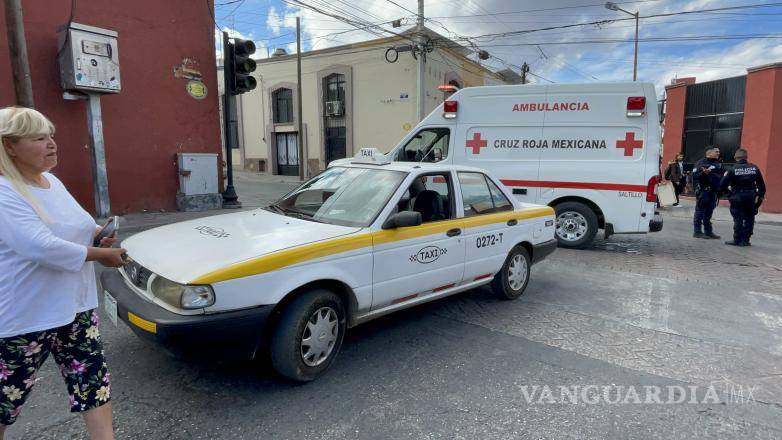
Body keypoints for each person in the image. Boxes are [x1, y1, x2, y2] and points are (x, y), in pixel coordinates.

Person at [0, 107, 127, 440]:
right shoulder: (4, 191)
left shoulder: (52, 182)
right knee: (5, 400)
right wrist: (102, 255)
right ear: (9, 146)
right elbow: (41, 247)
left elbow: (78, 225)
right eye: (38, 138)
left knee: (94, 386)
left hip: (76, 307)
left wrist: (99, 234)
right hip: (27, 316)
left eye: (50, 136)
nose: (51, 144)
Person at [719, 148, 766, 246]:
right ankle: (746, 240)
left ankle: (737, 239)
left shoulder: (732, 169)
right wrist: (759, 197)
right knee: (750, 217)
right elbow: (761, 185)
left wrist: (729, 194)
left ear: (735, 157)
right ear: (746, 157)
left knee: (738, 218)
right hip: (750, 196)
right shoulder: (754, 168)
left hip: (737, 196)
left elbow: (722, 185)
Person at [692, 146, 724, 239]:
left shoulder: (718, 163)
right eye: (716, 151)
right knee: (700, 212)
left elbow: (721, 176)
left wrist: (720, 189)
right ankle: (697, 232)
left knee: (709, 213)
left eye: (718, 152)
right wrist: (703, 174)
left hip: (713, 192)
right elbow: (694, 176)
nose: (718, 153)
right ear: (709, 153)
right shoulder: (700, 163)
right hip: (703, 191)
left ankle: (708, 232)